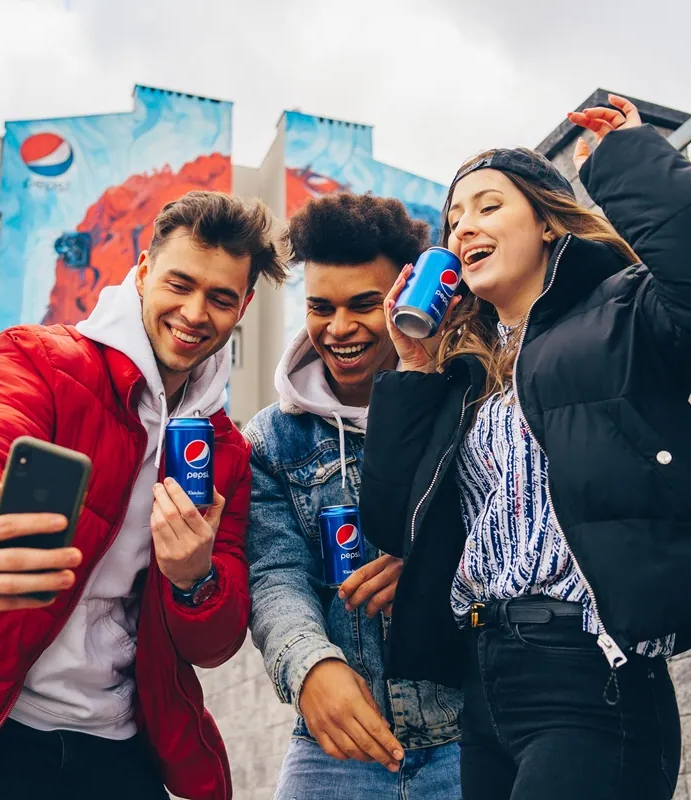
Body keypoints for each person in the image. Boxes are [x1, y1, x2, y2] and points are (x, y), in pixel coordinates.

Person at [359, 95, 691, 799]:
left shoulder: (620, 315)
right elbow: (388, 520)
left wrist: (630, 160)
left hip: (589, 677)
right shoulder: (462, 381)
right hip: (484, 684)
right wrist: (412, 369)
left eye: (488, 205)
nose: (464, 224)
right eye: (454, 216)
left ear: (545, 220)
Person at [0, 191, 289, 800]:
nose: (195, 313)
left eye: (221, 297)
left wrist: (194, 578)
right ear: (143, 273)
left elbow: (214, 644)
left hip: (119, 746)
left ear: (244, 305)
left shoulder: (227, 453)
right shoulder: (41, 360)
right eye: (180, 284)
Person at [245, 193, 463, 800]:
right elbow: (274, 572)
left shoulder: (469, 400)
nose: (338, 329)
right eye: (320, 307)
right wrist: (309, 664)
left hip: (472, 733)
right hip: (332, 748)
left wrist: (433, 569)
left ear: (407, 296)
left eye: (365, 305)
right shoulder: (271, 438)